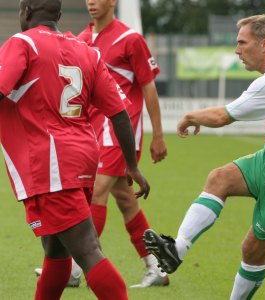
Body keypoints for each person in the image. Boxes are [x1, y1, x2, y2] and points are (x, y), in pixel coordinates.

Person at [143, 13, 265, 299]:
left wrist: (188, 117)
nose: (237, 50)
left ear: (263, 44)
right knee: (220, 178)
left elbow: (223, 116)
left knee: (252, 249)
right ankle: (176, 250)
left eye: (242, 43)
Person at [0, 0, 150, 299]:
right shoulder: (87, 51)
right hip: (82, 157)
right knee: (56, 252)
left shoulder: (23, 43)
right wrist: (131, 164)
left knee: (88, 249)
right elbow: (119, 111)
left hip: (50, 164)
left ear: (26, 12)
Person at [34, 0, 167, 288]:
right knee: (125, 198)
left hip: (119, 129)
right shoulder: (82, 39)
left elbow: (148, 86)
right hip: (94, 130)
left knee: (96, 192)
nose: (91, 2)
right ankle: (155, 266)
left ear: (113, 2)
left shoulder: (131, 39)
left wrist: (158, 134)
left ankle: (73, 266)